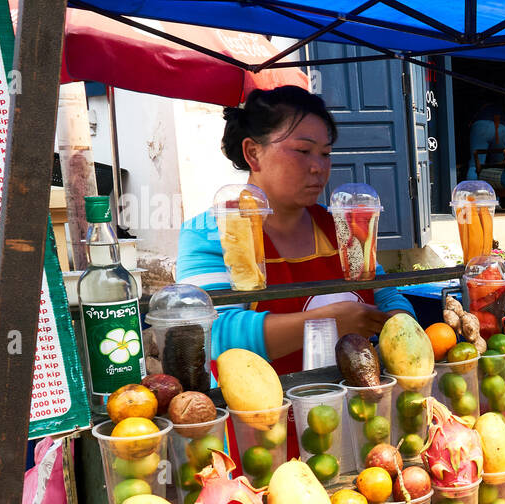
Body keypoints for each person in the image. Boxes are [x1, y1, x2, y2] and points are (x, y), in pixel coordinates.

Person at [176, 86, 415, 375]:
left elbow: (387, 297)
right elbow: (211, 335)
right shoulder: (210, 232)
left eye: (325, 153)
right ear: (253, 153)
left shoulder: (342, 227)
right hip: (261, 416)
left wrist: (402, 328)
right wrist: (326, 323)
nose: (319, 167)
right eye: (303, 151)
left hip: (357, 409)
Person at [466, 102, 505, 181]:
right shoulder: (501, 108)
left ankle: (472, 191)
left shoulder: (480, 106)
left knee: (475, 166)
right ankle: (499, 191)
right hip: (503, 127)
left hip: (481, 125)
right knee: (498, 167)